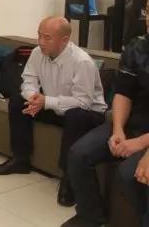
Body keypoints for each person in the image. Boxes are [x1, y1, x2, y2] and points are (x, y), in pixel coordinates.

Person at [0, 17, 107, 207]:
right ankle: (20, 159)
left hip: (88, 114)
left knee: (75, 116)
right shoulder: (38, 53)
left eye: (47, 37)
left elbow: (83, 102)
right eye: (39, 36)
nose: (41, 42)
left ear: (64, 40)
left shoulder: (82, 62)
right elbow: (28, 81)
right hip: (53, 105)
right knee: (18, 102)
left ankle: (70, 178)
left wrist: (46, 101)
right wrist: (34, 98)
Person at [62, 25, 149, 226]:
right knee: (78, 154)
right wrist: (118, 129)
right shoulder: (137, 47)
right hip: (133, 123)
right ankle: (90, 216)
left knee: (131, 174)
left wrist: (141, 143)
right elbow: (124, 92)